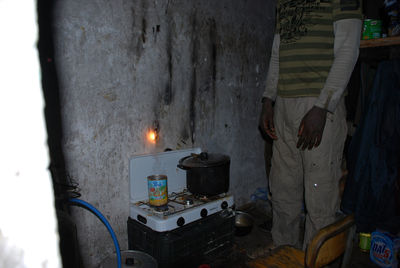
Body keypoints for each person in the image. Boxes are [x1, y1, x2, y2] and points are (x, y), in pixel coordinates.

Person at [259, 0, 362, 249]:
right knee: (283, 191)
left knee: (320, 198)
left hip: (319, 107)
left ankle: (316, 263)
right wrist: (268, 99)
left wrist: (322, 106)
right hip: (284, 105)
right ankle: (284, 255)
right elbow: (277, 51)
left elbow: (348, 50)